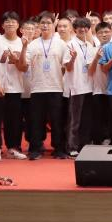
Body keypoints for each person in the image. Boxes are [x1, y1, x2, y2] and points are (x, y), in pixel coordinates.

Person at [21, 12, 75, 160]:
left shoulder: (61, 44)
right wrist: (24, 48)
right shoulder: (32, 44)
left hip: (56, 87)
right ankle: (35, 149)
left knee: (57, 120)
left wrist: (73, 59)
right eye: (43, 23)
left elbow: (68, 67)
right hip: (37, 88)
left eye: (48, 23)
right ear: (39, 25)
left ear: (53, 25)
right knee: (36, 121)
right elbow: (24, 65)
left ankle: (59, 149)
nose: (45, 25)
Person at [0, 11, 27, 160]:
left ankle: (13, 148)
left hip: (15, 87)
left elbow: (24, 68)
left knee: (14, 120)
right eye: (7, 21)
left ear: (18, 25)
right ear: (2, 25)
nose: (10, 23)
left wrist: (16, 60)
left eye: (13, 21)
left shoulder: (22, 42)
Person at [65, 18, 96, 156]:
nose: (83, 29)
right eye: (80, 27)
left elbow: (90, 68)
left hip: (89, 86)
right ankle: (72, 147)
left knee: (86, 119)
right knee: (74, 120)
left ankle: (84, 145)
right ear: (75, 29)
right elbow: (68, 67)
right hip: (76, 87)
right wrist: (72, 58)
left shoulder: (89, 45)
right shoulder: (69, 45)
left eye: (85, 27)